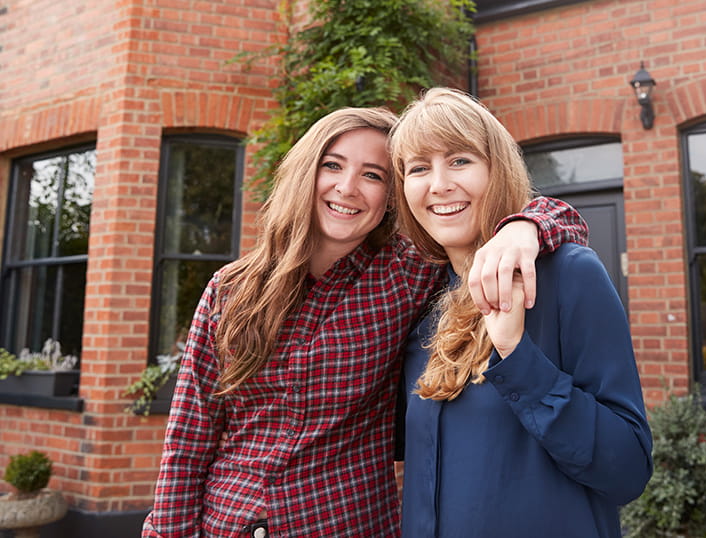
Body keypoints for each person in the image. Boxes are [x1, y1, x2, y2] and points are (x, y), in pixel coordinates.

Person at [141, 105, 588, 538]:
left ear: (392, 195)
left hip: (348, 521)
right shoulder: (231, 289)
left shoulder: (409, 272)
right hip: (230, 522)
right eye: (332, 166)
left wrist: (522, 227)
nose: (348, 187)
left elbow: (560, 219)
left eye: (372, 175)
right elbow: (188, 440)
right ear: (306, 172)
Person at [391, 87, 652, 538]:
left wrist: (516, 354)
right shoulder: (419, 299)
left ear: (497, 169)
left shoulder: (567, 276)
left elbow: (627, 468)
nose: (438, 184)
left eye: (459, 160)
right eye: (419, 168)